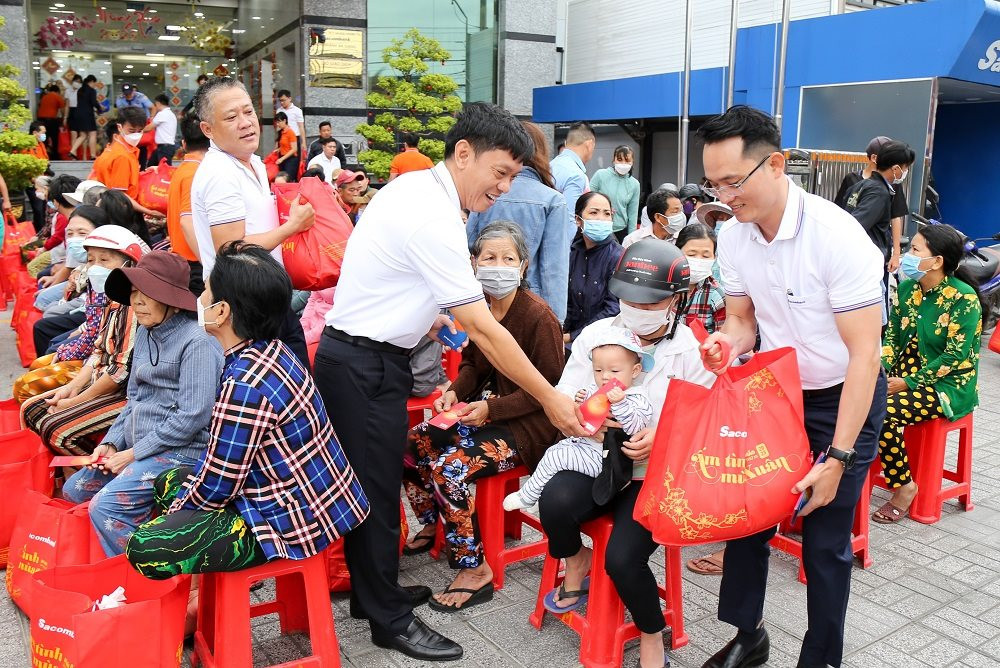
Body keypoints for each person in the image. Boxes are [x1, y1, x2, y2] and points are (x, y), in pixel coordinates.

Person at [314, 101, 586, 662]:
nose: (505, 189)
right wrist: (550, 397)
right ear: (464, 154)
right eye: (501, 173)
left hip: (372, 358)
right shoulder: (431, 214)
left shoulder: (423, 194)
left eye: (515, 176)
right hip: (363, 363)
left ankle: (375, 594)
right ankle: (388, 619)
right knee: (373, 490)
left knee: (378, 484)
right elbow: (484, 331)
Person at [697, 105, 886, 668]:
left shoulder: (838, 238)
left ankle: (822, 657)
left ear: (776, 165)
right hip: (776, 392)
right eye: (714, 184)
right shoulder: (732, 237)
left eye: (734, 181)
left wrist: (840, 456)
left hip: (841, 395)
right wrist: (725, 346)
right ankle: (747, 636)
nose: (725, 196)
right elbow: (742, 319)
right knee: (747, 519)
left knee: (825, 542)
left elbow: (865, 356)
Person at [125, 241, 368, 581]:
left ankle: (201, 595)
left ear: (222, 312)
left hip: (294, 521)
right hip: (319, 501)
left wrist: (173, 517)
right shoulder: (274, 350)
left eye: (206, 292)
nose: (200, 299)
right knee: (168, 481)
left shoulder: (244, 385)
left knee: (146, 549)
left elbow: (218, 484)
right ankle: (198, 591)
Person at [539, 239, 714, 668]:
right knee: (554, 501)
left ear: (675, 300)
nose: (635, 308)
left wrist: (662, 435)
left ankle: (652, 633)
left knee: (621, 560)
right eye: (627, 298)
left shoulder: (690, 351)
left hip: (654, 474)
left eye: (648, 302)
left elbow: (704, 420)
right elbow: (564, 401)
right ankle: (575, 559)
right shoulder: (598, 337)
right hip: (598, 457)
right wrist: (584, 418)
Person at [401, 221, 564, 612]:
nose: (498, 265)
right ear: (473, 263)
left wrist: (492, 408)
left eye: (508, 258)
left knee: (449, 468)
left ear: (523, 266)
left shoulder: (539, 317)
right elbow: (474, 364)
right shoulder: (483, 308)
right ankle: (435, 520)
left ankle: (474, 569)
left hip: (529, 428)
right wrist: (455, 391)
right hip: (488, 416)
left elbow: (549, 390)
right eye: (489, 257)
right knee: (410, 444)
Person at [61, 251, 222, 556]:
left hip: (183, 452)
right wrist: (111, 443)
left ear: (172, 300)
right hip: (141, 446)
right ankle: (118, 560)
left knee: (107, 507)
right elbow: (134, 396)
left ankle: (141, 579)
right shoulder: (146, 332)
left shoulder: (198, 342)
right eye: (134, 292)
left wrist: (133, 454)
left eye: (148, 293)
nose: (137, 301)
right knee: (74, 490)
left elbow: (192, 417)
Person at [189, 76, 313, 367]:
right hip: (244, 312)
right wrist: (292, 227)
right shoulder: (220, 173)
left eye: (248, 112)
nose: (245, 122)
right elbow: (231, 249)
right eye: (231, 117)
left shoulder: (253, 161)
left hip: (269, 298)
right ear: (208, 129)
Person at [872, 224, 982, 523]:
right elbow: (892, 337)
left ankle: (904, 487)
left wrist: (908, 382)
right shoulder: (908, 289)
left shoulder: (963, 299)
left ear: (937, 261)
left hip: (946, 384)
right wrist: (880, 370)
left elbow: (955, 356)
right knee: (851, 399)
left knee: (882, 413)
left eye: (915, 250)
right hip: (904, 374)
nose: (908, 255)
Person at [21, 225, 146, 457]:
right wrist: (71, 388)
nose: (96, 267)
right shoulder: (109, 297)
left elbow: (119, 373)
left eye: (105, 260)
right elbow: (98, 351)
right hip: (99, 379)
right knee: (30, 409)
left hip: (124, 394)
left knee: (55, 428)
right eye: (91, 260)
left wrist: (76, 400)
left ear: (128, 263)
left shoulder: (134, 305)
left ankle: (92, 474)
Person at [504, 326, 653, 510]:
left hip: (607, 458)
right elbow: (583, 415)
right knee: (554, 453)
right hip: (585, 446)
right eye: (598, 370)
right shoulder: (595, 389)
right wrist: (581, 401)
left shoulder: (637, 397)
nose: (605, 377)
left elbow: (633, 427)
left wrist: (620, 404)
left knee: (556, 457)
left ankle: (528, 496)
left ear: (635, 370)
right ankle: (536, 493)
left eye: (614, 371)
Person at [466, 121, 569, 322]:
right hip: (530, 305)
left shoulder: (488, 190)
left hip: (482, 300)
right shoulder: (552, 199)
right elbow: (553, 269)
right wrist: (556, 320)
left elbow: (468, 245)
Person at [13, 205, 110, 403]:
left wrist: (72, 397)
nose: (96, 264)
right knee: (43, 360)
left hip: (105, 368)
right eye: (91, 259)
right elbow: (96, 331)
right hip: (98, 356)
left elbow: (113, 357)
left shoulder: (122, 291)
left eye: (82, 232)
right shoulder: (94, 277)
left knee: (33, 378)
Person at [843, 140, 915, 319]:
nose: (905, 172)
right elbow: (854, 226)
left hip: (858, 263)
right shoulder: (878, 192)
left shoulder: (861, 186)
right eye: (905, 168)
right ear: (896, 168)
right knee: (872, 319)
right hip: (865, 265)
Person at [834, 135, 909, 274]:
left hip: (869, 252)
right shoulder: (855, 180)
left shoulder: (892, 184)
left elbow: (896, 216)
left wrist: (896, 253)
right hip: (864, 257)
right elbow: (843, 215)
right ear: (874, 157)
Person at [564, 191, 625, 348]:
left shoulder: (618, 256)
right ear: (578, 220)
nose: (601, 219)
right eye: (593, 212)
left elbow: (614, 308)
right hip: (570, 339)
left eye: (607, 214)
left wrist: (573, 336)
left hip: (604, 340)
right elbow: (568, 299)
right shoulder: (572, 252)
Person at [90, 107, 164, 220]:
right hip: (121, 212)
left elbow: (125, 179)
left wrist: (145, 173)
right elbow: (120, 195)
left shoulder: (114, 149)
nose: (136, 134)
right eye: (131, 130)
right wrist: (149, 212)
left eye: (140, 131)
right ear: (119, 127)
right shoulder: (122, 156)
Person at [166, 114, 208, 294]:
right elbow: (186, 222)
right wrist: (208, 263)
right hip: (194, 261)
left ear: (183, 144)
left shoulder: (183, 170)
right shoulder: (198, 173)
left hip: (183, 259)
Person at [677, 223, 726, 333]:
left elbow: (722, 339)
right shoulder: (663, 287)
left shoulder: (717, 296)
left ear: (714, 257)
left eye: (705, 256)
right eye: (691, 254)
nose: (698, 260)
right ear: (677, 252)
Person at [590, 145, 640, 242]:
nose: (623, 163)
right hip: (599, 226)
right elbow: (588, 199)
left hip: (621, 230)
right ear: (614, 160)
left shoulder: (635, 184)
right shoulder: (600, 175)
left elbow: (633, 214)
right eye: (620, 159)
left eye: (627, 160)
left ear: (632, 162)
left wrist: (631, 238)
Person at [550, 121, 595, 221]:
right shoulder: (576, 175)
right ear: (590, 144)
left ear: (566, 143)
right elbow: (569, 221)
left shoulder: (551, 165)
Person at [146, 94, 178, 167]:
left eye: (155, 104)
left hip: (165, 148)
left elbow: (149, 128)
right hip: (164, 147)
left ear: (158, 103)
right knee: (151, 166)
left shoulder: (162, 114)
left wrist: (138, 131)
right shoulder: (171, 114)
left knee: (165, 170)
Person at [276, 89, 307, 158]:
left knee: (294, 159)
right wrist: (277, 142)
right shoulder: (279, 111)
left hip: (294, 138)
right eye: (280, 100)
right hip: (283, 138)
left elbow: (301, 127)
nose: (282, 102)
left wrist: (303, 142)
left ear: (289, 98)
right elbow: (278, 128)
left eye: (284, 100)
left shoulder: (297, 111)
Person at [38, 84, 65, 159]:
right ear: (57, 91)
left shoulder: (44, 97)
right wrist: (64, 119)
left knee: (43, 137)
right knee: (54, 138)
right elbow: (63, 110)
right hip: (51, 121)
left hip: (41, 120)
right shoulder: (57, 96)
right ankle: (55, 155)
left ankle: (43, 153)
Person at [274, 111, 299, 181]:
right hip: (283, 159)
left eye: (279, 122)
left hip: (290, 160)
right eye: (277, 122)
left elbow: (294, 149)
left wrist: (282, 159)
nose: (277, 124)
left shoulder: (291, 132)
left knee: (287, 180)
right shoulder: (282, 132)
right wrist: (278, 149)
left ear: (285, 120)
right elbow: (284, 145)